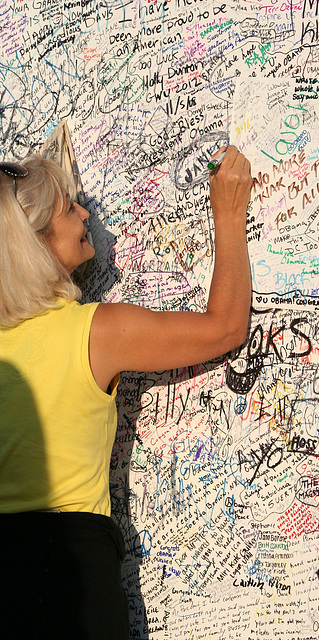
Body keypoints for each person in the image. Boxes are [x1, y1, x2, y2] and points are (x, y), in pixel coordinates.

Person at [0, 146, 252, 639]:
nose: (85, 215)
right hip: (70, 578)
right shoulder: (95, 333)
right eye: (69, 208)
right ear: (35, 243)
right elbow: (224, 328)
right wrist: (228, 210)